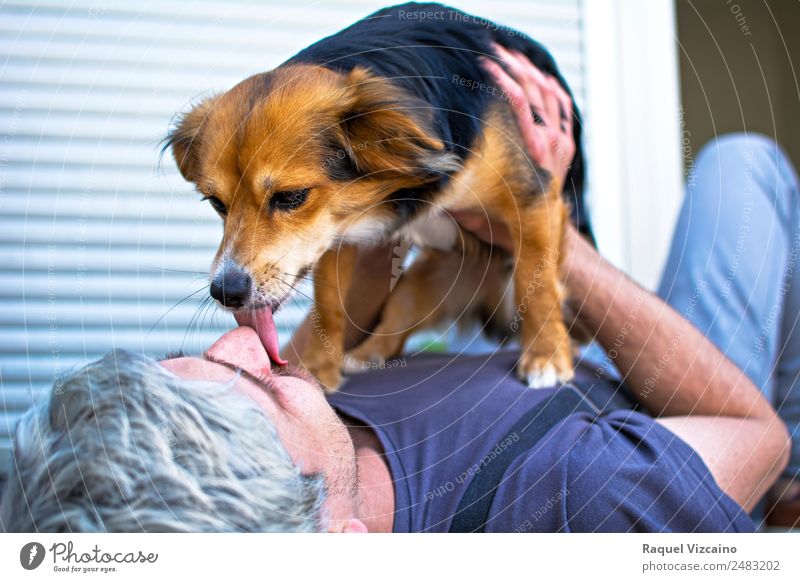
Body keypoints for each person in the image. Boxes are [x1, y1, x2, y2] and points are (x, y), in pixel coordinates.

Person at [0, 49, 792, 533]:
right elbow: (751, 432)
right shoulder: (582, 501)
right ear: (334, 541)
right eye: (250, 387)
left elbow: (356, 242)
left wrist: (436, 170)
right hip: (667, 411)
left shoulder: (304, 432)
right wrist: (543, 218)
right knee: (741, 165)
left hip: (488, 363)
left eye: (192, 355)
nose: (240, 332)